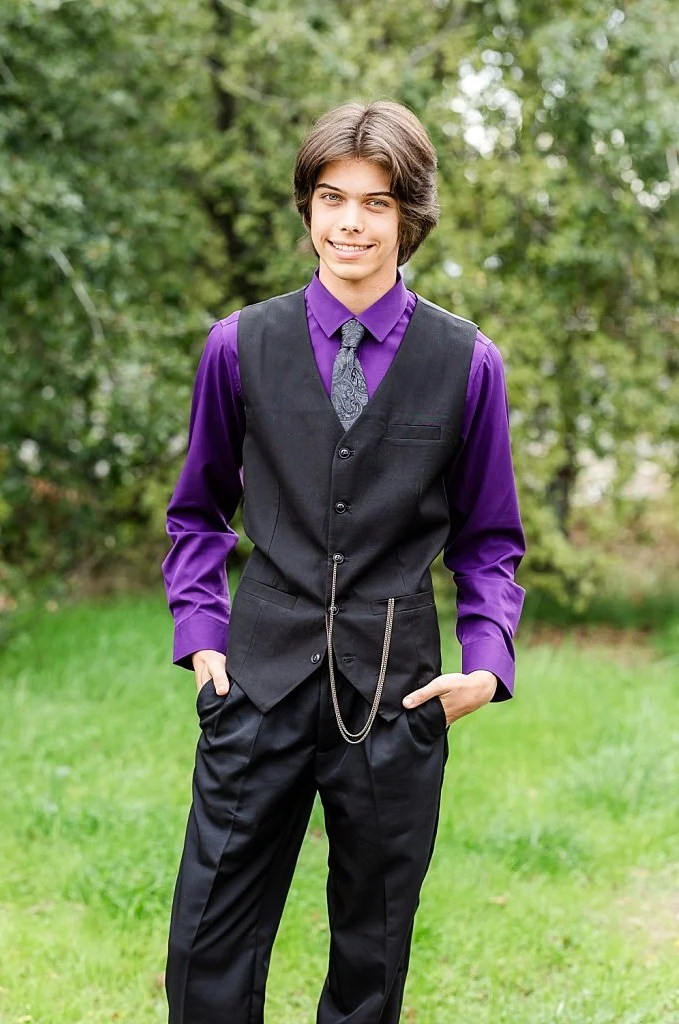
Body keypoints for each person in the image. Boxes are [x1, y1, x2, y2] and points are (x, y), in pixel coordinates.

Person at [160, 100, 525, 1023]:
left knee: (373, 953)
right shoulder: (237, 347)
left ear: (410, 218)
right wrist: (202, 635)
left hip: (396, 694)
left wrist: (487, 662)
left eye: (375, 202)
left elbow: (490, 541)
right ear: (308, 207)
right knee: (208, 938)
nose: (350, 223)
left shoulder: (468, 363)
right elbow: (198, 511)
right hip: (256, 681)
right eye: (331, 198)